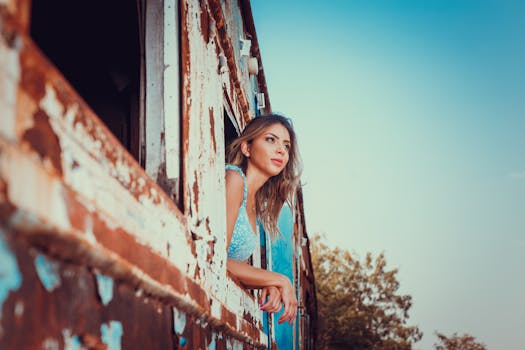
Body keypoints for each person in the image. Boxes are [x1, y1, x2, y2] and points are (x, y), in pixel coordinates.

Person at [225, 113, 301, 325]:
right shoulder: (233, 179)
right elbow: (215, 260)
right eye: (271, 139)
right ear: (246, 148)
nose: (281, 150)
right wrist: (279, 279)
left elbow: (233, 269)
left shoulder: (255, 206)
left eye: (286, 146)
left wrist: (264, 282)